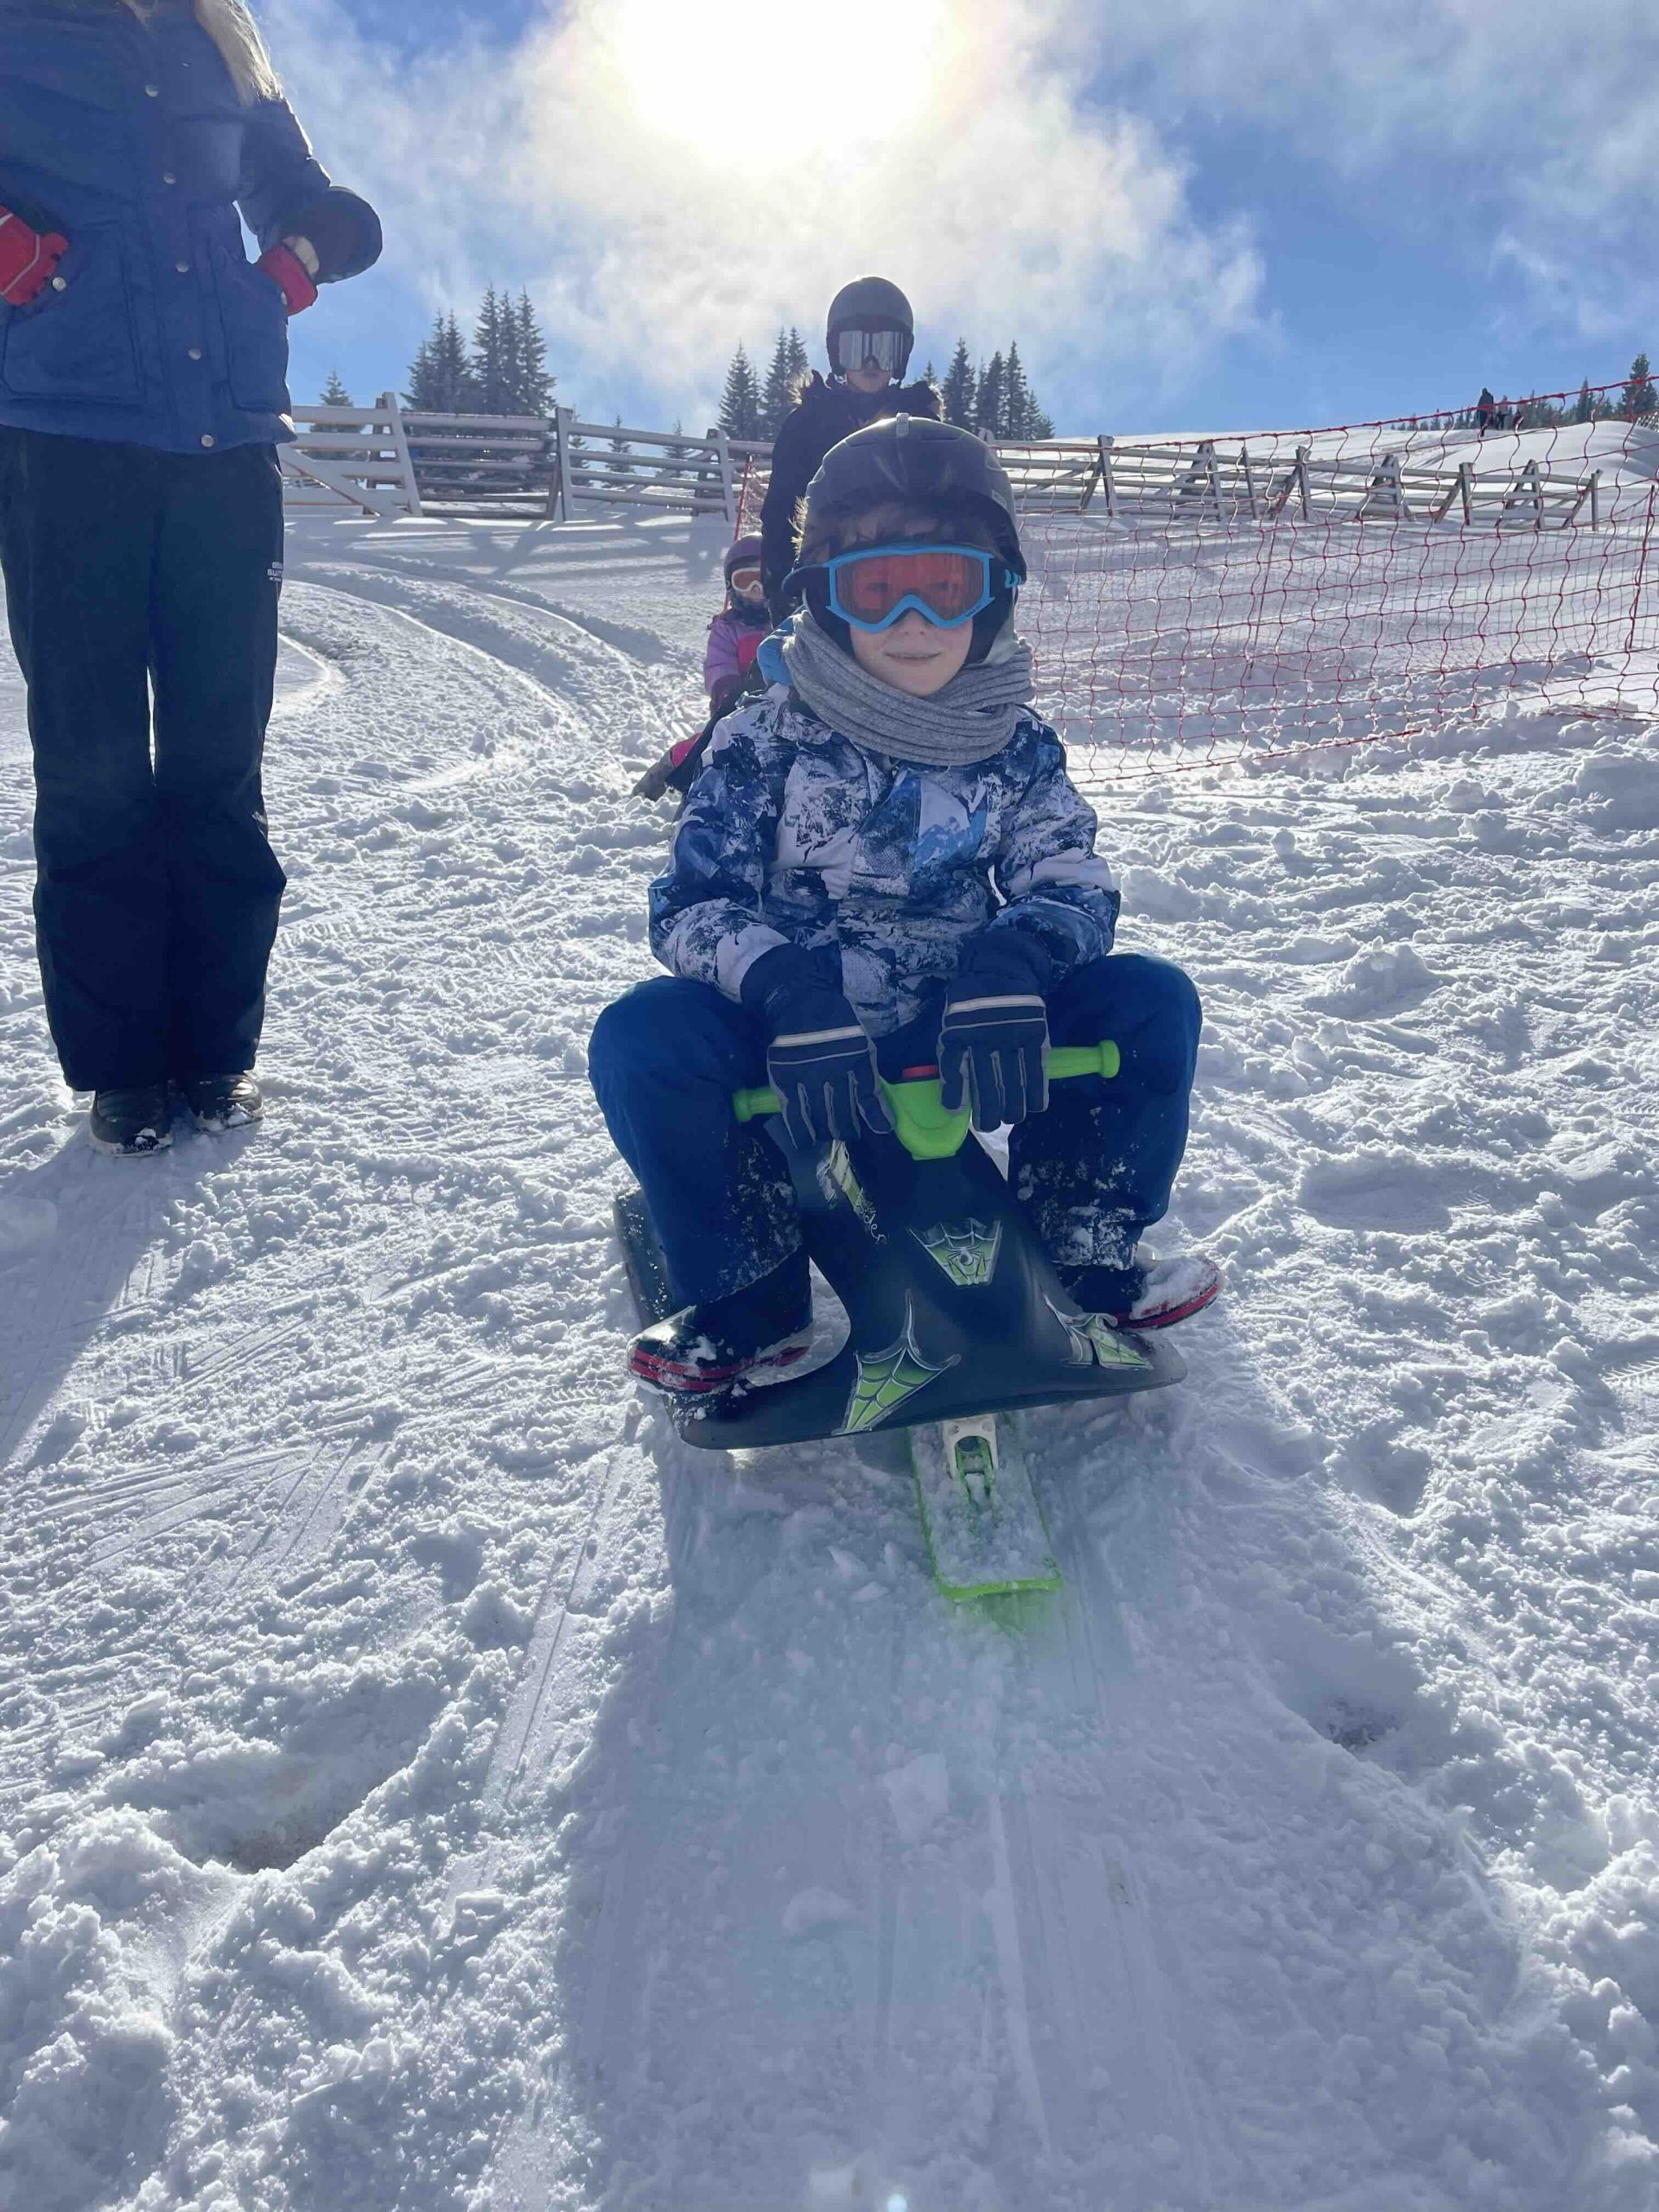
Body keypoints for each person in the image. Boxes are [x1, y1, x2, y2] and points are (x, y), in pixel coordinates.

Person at [590, 415, 1219, 1396]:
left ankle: (1085, 1243)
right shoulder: (763, 740)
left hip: (960, 1023)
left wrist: (1012, 968)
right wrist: (783, 990)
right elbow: (694, 901)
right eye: (878, 591)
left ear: (993, 595)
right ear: (827, 600)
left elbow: (1069, 878)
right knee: (646, 1036)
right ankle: (749, 1296)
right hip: (797, 1040)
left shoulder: (1015, 746)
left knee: (1148, 1003)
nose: (915, 621)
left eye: (946, 587)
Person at [0, 0, 381, 1155]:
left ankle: (216, 1050)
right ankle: (122, 1068)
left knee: (220, 756)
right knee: (94, 765)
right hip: (66, 439)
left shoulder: (221, 38)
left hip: (226, 439)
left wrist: (289, 267)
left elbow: (309, 198)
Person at [759, 276, 942, 623]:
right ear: (837, 354)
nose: (870, 362)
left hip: (906, 576)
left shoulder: (920, 422)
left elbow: (947, 502)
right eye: (857, 349)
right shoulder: (809, 423)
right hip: (827, 579)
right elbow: (782, 508)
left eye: (884, 349)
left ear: (901, 356)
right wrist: (779, 585)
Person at [632, 537, 771, 802]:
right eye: (745, 581)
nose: (756, 590)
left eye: (763, 580)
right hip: (734, 708)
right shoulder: (727, 628)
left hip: (778, 706)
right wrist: (727, 688)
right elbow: (718, 664)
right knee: (707, 747)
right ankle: (667, 769)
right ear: (731, 586)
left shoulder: (784, 621)